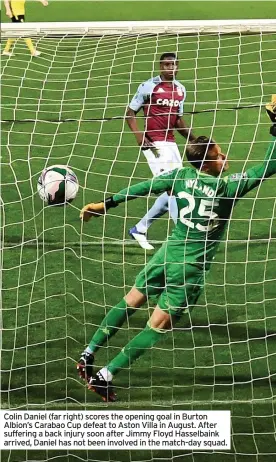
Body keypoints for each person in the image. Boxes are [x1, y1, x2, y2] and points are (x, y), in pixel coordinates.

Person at [77, 96, 276, 402]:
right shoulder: (227, 187)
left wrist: (105, 204)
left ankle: (88, 354)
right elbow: (268, 166)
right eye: (221, 155)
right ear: (209, 162)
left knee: (131, 299)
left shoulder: (181, 176)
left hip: (166, 254)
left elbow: (145, 187)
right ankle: (106, 375)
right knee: (157, 325)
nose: (226, 158)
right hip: (190, 267)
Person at [126, 52, 196, 250]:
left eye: (173, 65)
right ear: (160, 66)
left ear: (178, 66)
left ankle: (139, 228)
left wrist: (194, 139)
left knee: (177, 187)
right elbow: (130, 112)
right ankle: (183, 239)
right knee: (173, 189)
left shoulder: (181, 90)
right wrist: (139, 135)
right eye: (166, 65)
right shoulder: (149, 86)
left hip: (171, 143)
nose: (169, 68)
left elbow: (178, 121)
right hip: (153, 143)